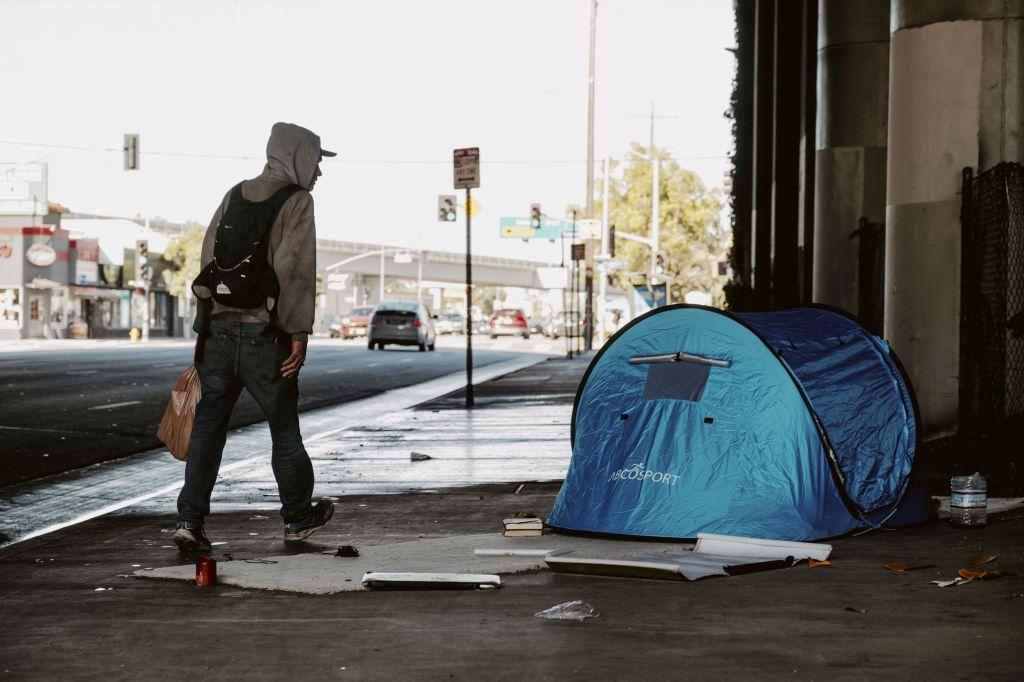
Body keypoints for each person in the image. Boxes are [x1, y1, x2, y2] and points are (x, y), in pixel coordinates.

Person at [172, 122, 336, 551]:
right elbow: (295, 270)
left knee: (208, 428)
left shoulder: (234, 194)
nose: (319, 172)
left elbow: (208, 260)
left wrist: (203, 330)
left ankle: (189, 521)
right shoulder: (298, 201)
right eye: (317, 161)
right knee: (284, 428)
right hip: (265, 337)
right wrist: (298, 331)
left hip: (220, 334)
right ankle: (298, 517)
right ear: (299, 156)